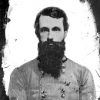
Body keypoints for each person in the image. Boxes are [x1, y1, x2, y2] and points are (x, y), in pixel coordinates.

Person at [8, 7, 96, 100]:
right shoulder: (20, 75)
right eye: (44, 30)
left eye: (56, 29)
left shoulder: (83, 75)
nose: (50, 36)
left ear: (65, 33)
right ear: (38, 33)